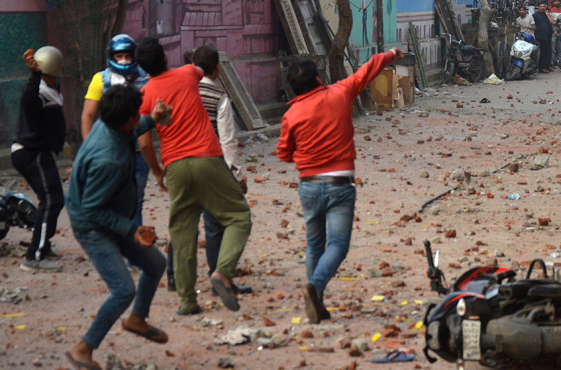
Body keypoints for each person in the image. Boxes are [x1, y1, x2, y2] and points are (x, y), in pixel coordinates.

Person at [277, 48, 404, 323]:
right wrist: (392, 54)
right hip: (340, 184)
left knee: (314, 245)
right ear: (318, 79)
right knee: (338, 245)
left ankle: (317, 302)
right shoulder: (340, 93)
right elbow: (368, 69)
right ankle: (315, 287)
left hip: (308, 185)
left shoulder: (292, 114)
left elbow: (283, 154)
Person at [64, 85, 172, 370]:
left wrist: (153, 118)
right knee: (123, 290)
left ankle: (137, 319)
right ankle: (83, 349)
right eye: (136, 115)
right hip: (91, 225)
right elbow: (91, 210)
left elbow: (132, 129)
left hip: (111, 216)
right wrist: (130, 229)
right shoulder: (107, 159)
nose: (138, 118)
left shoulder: (110, 123)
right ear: (127, 121)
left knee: (155, 263)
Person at [136, 37, 252, 316]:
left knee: (183, 234)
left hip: (175, 167)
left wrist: (158, 172)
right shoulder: (188, 73)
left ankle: (187, 302)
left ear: (143, 68)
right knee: (238, 216)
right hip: (207, 158)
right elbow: (203, 69)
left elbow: (144, 143)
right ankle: (222, 272)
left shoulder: (144, 95)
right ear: (166, 59)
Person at [191, 45, 252, 294]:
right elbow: (227, 141)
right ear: (217, 68)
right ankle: (221, 275)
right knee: (222, 223)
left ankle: (179, 281)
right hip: (211, 165)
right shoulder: (219, 98)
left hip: (182, 163)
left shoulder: (186, 93)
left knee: (184, 224)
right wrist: (237, 175)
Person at [80, 34, 150, 226]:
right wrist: (89, 148)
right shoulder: (100, 79)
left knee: (135, 203)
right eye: (119, 56)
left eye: (127, 55)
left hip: (137, 153)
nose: (124, 60)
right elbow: (88, 115)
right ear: (111, 57)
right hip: (108, 152)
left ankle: (133, 242)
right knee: (108, 201)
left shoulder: (145, 77)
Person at [12, 47, 65, 271]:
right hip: (31, 152)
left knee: (54, 200)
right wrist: (34, 75)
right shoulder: (39, 89)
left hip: (39, 152)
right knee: (51, 200)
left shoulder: (52, 89)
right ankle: (34, 256)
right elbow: (28, 101)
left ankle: (42, 246)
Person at [532, 1, 555, 74]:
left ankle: (546, 66)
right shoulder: (535, 15)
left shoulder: (547, 15)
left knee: (547, 52)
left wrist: (547, 15)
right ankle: (539, 67)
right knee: (540, 53)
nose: (542, 8)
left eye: (544, 6)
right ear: (538, 7)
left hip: (547, 36)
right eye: (541, 6)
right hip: (539, 36)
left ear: (546, 7)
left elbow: (552, 23)